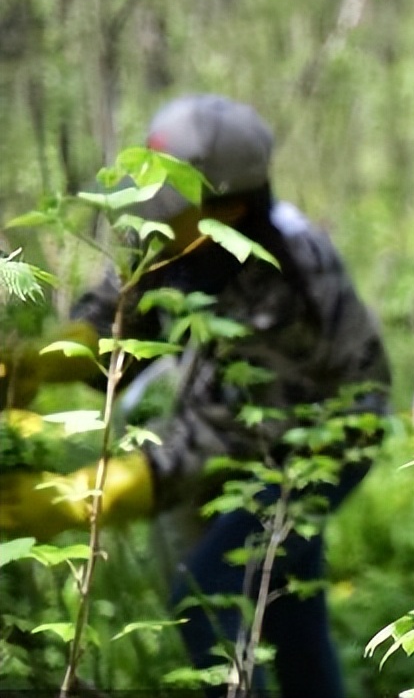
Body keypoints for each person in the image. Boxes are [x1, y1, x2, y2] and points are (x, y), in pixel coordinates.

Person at [0, 94, 392, 698]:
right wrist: (48, 359)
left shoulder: (285, 280)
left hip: (329, 440)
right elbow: (120, 306)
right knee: (287, 602)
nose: (148, 222)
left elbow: (217, 436)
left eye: (167, 206)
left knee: (207, 591)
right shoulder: (178, 234)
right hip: (260, 434)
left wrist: (74, 500)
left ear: (228, 210)